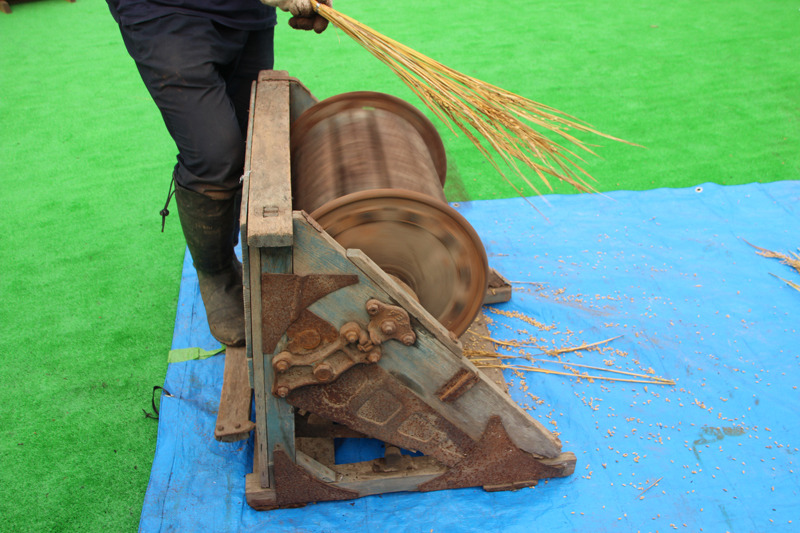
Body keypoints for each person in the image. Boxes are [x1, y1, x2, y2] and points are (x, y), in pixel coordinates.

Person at [106, 0, 330, 347]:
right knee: (215, 156)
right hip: (164, 12)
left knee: (249, 135)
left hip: (245, 12)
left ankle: (254, 252)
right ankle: (216, 271)